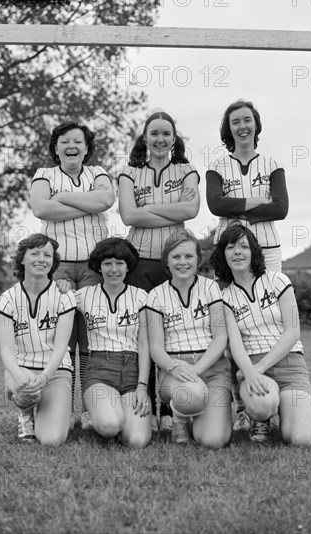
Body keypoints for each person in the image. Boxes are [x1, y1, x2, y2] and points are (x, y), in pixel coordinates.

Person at [205, 99, 289, 434]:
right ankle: (241, 407)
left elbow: (281, 208)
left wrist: (236, 208)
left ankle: (266, 401)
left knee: (270, 322)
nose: (242, 126)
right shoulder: (217, 165)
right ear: (228, 129)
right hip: (228, 249)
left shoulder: (272, 162)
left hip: (266, 250)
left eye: (247, 120)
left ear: (256, 125)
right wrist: (257, 202)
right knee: (229, 325)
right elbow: (214, 204)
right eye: (235, 122)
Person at [29, 120, 115, 430]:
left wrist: (62, 198)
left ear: (87, 148)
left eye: (78, 141)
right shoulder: (44, 175)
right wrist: (86, 204)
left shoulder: (98, 173)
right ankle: (61, 410)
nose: (72, 146)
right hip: (59, 265)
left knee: (92, 339)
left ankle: (90, 411)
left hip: (95, 267)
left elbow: (106, 201)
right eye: (65, 141)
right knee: (61, 341)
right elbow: (40, 209)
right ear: (55, 147)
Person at [118, 111, 200, 431]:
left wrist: (146, 210)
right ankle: (146, 406)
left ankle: (168, 411)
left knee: (170, 335)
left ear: (174, 138)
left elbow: (191, 210)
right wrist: (167, 209)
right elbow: (127, 216)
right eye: (154, 133)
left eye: (167, 133)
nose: (160, 139)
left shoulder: (186, 170)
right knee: (143, 336)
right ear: (145, 137)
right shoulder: (129, 172)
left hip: (173, 261)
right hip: (139, 261)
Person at [210, 224, 311, 446]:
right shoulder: (224, 297)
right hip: (254, 365)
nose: (237, 252)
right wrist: (251, 372)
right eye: (230, 247)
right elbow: (235, 344)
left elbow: (293, 330)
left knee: (301, 439)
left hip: (290, 364)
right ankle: (261, 417)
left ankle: (284, 406)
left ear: (254, 252)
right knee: (262, 406)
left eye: (243, 246)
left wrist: (259, 368)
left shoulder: (278, 280)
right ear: (223, 255)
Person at [145, 230, 232, 446]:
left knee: (213, 440)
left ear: (197, 259)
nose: (182, 262)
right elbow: (155, 347)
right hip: (175, 370)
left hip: (211, 367)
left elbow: (221, 337)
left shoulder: (211, 287)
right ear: (166, 260)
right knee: (192, 395)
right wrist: (175, 367)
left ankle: (198, 414)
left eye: (188, 256)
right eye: (176, 257)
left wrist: (198, 368)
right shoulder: (155, 295)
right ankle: (180, 417)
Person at [0, 233, 76, 446]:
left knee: (51, 440)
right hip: (22, 367)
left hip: (55, 370)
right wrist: (21, 378)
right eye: (34, 253)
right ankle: (24, 414)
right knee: (24, 391)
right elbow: (6, 350)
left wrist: (44, 377)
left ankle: (48, 410)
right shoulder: (8, 298)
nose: (41, 259)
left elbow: (61, 346)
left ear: (53, 261)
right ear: (22, 259)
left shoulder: (64, 295)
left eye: (47, 255)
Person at [76, 237, 151, 448]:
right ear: (99, 267)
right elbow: (53, 302)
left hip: (132, 371)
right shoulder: (83, 295)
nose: (114, 269)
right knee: (110, 425)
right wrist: (62, 287)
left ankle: (117, 415)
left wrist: (142, 387)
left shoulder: (141, 296)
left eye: (119, 263)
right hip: (99, 369)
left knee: (136, 441)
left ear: (128, 266)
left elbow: (144, 345)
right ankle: (104, 418)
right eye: (107, 263)